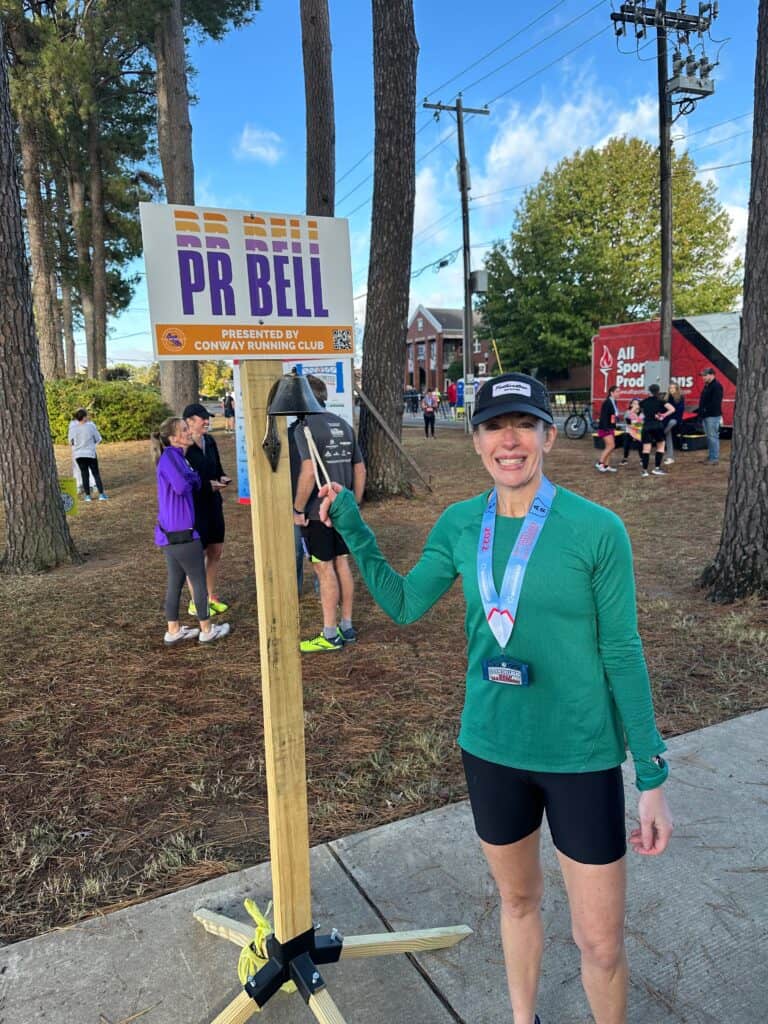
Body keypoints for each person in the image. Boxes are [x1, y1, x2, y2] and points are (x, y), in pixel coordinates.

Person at [317, 372, 673, 1024]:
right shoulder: (459, 525)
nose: (509, 441)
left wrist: (649, 774)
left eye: (523, 425)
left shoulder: (597, 530)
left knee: (600, 942)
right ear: (477, 440)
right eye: (493, 426)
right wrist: (352, 524)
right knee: (517, 903)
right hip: (492, 749)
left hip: (581, 757)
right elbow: (402, 603)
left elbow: (623, 653)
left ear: (547, 436)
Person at [293, 376, 366, 651]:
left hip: (316, 512)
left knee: (324, 569)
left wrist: (297, 509)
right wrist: (353, 505)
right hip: (342, 510)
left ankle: (330, 635)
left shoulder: (305, 427)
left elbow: (309, 472)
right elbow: (360, 470)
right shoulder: (343, 424)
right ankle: (346, 626)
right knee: (342, 564)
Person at [151, 418, 230, 645]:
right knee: (198, 580)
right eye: (184, 430)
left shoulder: (178, 457)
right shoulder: (170, 458)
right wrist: (192, 478)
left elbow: (193, 480)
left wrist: (193, 478)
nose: (188, 433)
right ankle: (206, 629)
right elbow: (184, 485)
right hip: (181, 532)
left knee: (176, 580)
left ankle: (173, 630)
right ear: (173, 437)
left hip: (173, 533)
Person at [182, 403, 231, 616]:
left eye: (207, 418)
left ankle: (210, 597)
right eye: (202, 418)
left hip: (213, 503)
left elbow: (217, 468)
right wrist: (206, 485)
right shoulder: (182, 447)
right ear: (189, 422)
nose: (207, 421)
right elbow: (183, 480)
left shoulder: (209, 441)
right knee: (197, 555)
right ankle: (197, 601)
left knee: (215, 551)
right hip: (194, 507)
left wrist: (222, 478)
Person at [69, 408, 108, 501]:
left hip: (79, 454)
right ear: (84, 417)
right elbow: (98, 438)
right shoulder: (91, 426)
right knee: (95, 473)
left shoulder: (73, 428)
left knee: (84, 474)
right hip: (90, 453)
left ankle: (87, 496)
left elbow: (71, 441)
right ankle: (101, 494)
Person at [639, 385, 675, 478]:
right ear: (658, 391)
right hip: (657, 426)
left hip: (646, 426)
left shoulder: (643, 402)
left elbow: (635, 410)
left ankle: (644, 471)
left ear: (649, 391)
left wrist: (642, 416)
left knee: (646, 449)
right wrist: (663, 415)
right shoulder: (661, 401)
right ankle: (657, 468)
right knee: (660, 446)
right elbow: (672, 409)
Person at [693, 367, 723, 464]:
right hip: (707, 415)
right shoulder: (707, 386)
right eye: (702, 376)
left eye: (705, 375)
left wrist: (704, 410)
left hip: (712, 416)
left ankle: (714, 458)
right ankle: (711, 456)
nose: (703, 377)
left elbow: (715, 402)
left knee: (713, 437)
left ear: (712, 375)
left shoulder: (716, 386)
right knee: (709, 437)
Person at [595, 386, 620, 473]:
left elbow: (612, 416)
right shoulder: (607, 402)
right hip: (605, 428)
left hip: (611, 427)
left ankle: (606, 465)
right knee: (611, 446)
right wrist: (606, 428)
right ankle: (600, 463)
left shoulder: (614, 402)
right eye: (617, 391)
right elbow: (604, 416)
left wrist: (615, 424)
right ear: (611, 393)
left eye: (619, 391)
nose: (619, 393)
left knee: (610, 447)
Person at [68, 414, 93, 494]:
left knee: (83, 467)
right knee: (78, 467)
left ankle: (90, 485)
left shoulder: (89, 424)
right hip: (78, 448)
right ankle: (79, 485)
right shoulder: (73, 424)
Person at [662, 383, 685, 465]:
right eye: (670, 388)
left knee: (670, 424)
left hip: (675, 419)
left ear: (677, 389)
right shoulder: (666, 397)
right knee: (668, 436)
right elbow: (663, 409)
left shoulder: (680, 398)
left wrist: (669, 415)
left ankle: (660, 434)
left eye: (673, 388)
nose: (671, 389)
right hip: (666, 418)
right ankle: (670, 457)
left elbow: (679, 411)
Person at [619, 400, 644, 466]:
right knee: (626, 445)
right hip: (629, 431)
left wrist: (637, 429)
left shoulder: (642, 413)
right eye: (634, 403)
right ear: (631, 405)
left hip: (639, 432)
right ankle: (625, 459)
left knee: (640, 446)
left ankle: (642, 459)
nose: (636, 405)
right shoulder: (628, 412)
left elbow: (642, 423)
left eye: (637, 403)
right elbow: (628, 423)